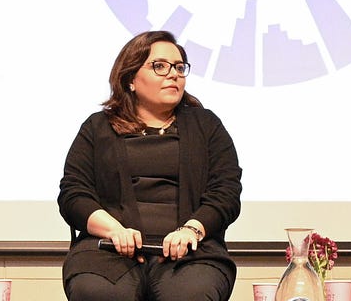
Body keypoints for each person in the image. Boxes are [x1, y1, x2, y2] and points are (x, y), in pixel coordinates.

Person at [58, 31, 243, 301]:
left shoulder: (206, 126)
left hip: (190, 257)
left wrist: (191, 229)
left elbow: (226, 192)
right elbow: (73, 194)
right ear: (131, 79)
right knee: (99, 293)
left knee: (190, 295)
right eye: (160, 66)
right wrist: (115, 231)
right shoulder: (98, 128)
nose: (174, 74)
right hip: (107, 253)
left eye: (179, 67)